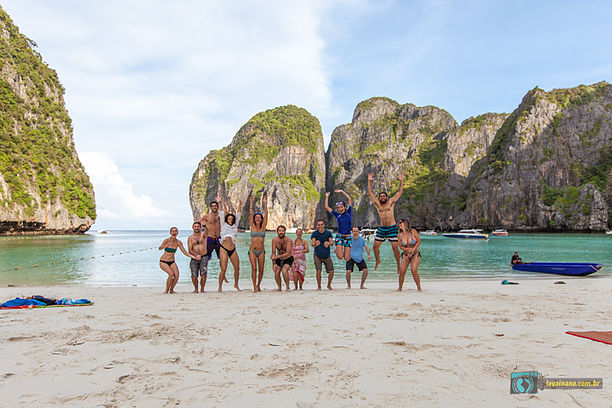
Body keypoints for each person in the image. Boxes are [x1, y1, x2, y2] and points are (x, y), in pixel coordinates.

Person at [367, 172, 404, 272]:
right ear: (379, 198)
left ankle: (398, 265)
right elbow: (370, 193)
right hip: (382, 228)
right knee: (375, 247)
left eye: (384, 196)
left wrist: (401, 181)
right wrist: (369, 181)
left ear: (386, 197)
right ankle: (378, 261)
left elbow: (399, 192)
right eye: (381, 196)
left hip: (392, 227)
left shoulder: (391, 202)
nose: (382, 197)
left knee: (394, 247)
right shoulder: (377, 204)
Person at [158, 227, 199, 294]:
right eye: (173, 231)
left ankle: (171, 290)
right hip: (163, 261)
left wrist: (194, 257)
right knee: (171, 274)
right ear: (170, 233)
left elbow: (185, 252)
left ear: (177, 233)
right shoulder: (166, 240)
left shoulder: (178, 242)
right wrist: (164, 246)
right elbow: (159, 248)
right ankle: (166, 290)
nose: (174, 232)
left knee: (176, 276)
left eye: (175, 231)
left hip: (172, 261)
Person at [200, 200, 227, 283]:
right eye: (213, 206)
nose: (214, 207)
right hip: (210, 239)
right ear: (210, 207)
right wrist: (203, 227)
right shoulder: (207, 216)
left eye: (216, 206)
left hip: (219, 239)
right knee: (206, 258)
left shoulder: (221, 216)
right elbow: (200, 223)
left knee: (222, 258)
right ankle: (203, 275)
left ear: (217, 207)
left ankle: (223, 274)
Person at [218, 199, 242, 292]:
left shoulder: (235, 225)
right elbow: (221, 213)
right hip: (223, 248)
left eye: (232, 219)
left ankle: (236, 285)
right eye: (229, 219)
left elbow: (238, 214)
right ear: (226, 219)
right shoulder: (223, 224)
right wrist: (220, 203)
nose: (230, 220)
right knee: (223, 269)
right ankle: (220, 287)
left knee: (237, 268)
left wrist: (240, 204)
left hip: (233, 249)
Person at [324, 189, 353, 261]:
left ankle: (339, 248)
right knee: (340, 257)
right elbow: (326, 207)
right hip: (339, 236)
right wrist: (327, 197)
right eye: (338, 208)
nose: (340, 209)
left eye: (341, 207)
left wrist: (342, 191)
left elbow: (349, 199)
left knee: (347, 258)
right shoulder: (337, 215)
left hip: (348, 237)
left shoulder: (349, 212)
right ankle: (337, 249)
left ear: (344, 207)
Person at [248, 195, 268, 292]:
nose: (258, 218)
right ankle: (254, 286)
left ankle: (258, 284)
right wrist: (251, 202)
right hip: (252, 250)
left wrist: (265, 204)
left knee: (261, 270)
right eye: (256, 217)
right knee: (254, 268)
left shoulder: (263, 226)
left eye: (259, 217)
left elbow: (266, 214)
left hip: (262, 251)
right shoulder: (252, 226)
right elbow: (250, 213)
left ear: (261, 219)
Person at [397, 219, 422, 292]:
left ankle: (419, 288)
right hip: (406, 254)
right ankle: (400, 288)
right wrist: (407, 250)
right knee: (402, 271)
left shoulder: (413, 231)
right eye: (399, 223)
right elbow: (401, 247)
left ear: (405, 223)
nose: (399, 224)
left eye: (401, 223)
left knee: (413, 270)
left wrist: (413, 249)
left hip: (415, 254)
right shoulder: (399, 235)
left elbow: (418, 242)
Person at [311, 219, 335, 290]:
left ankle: (329, 285)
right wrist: (315, 243)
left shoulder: (328, 233)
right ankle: (319, 286)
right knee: (318, 270)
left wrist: (328, 243)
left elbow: (332, 243)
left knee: (331, 271)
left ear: (324, 225)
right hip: (317, 255)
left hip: (327, 255)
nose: (320, 226)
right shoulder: (314, 233)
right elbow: (312, 243)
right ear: (316, 226)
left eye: (321, 224)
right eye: (318, 225)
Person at [271, 225, 294, 291]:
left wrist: (278, 256)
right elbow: (273, 253)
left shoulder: (288, 240)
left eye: (282, 231)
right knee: (276, 272)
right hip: (278, 258)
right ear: (277, 232)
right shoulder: (274, 240)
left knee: (284, 270)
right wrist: (274, 263)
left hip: (288, 258)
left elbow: (288, 252)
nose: (281, 232)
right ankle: (279, 287)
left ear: (285, 232)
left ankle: (287, 286)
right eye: (280, 231)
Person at [188, 221, 208, 293]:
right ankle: (196, 289)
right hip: (194, 258)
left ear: (200, 227)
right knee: (194, 275)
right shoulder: (190, 238)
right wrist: (196, 255)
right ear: (193, 228)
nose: (196, 228)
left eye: (198, 226)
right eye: (195, 226)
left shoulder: (203, 235)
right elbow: (190, 249)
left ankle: (202, 289)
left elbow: (207, 232)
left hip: (204, 257)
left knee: (203, 274)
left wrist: (205, 226)